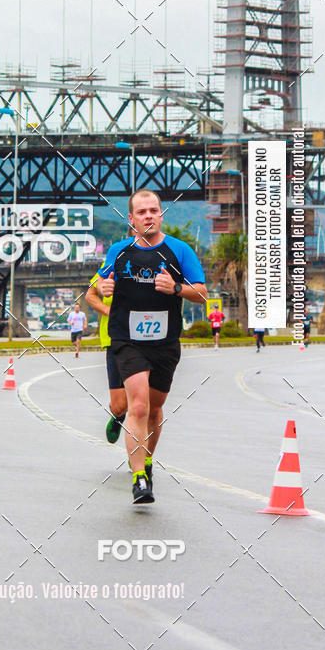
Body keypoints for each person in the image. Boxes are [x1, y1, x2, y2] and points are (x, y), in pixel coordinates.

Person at [98, 189, 207, 505]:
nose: (148, 216)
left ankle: (146, 459)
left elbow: (201, 292)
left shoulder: (179, 250)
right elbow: (103, 284)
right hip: (126, 339)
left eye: (153, 210)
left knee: (156, 408)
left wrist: (175, 288)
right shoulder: (119, 251)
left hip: (165, 342)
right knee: (139, 406)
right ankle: (139, 479)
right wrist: (105, 286)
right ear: (131, 219)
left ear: (161, 214)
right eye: (141, 212)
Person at [86, 274, 126, 444]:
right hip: (114, 339)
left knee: (142, 404)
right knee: (119, 406)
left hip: (146, 341)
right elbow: (90, 295)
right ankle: (119, 416)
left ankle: (140, 456)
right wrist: (109, 311)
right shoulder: (111, 263)